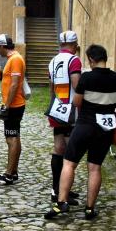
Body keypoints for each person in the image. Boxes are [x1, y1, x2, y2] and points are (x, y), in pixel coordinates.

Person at [46, 44, 116, 220]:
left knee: (69, 163)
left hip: (85, 125)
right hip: (106, 128)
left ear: (91, 60)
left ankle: (61, 203)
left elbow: (77, 102)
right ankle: (89, 209)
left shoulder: (87, 77)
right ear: (105, 58)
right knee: (95, 168)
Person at [47, 31, 83, 206]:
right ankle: (63, 192)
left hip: (57, 107)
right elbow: (77, 84)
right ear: (74, 44)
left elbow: (51, 86)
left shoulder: (53, 60)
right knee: (70, 151)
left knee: (58, 148)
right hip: (71, 110)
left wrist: (52, 106)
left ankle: (57, 189)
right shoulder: (74, 60)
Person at [0, 34, 26, 185]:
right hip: (14, 104)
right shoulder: (13, 58)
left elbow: (15, 84)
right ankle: (13, 171)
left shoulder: (15, 59)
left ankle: (8, 174)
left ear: (2, 46)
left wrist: (7, 105)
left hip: (13, 105)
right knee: (14, 137)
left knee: (11, 139)